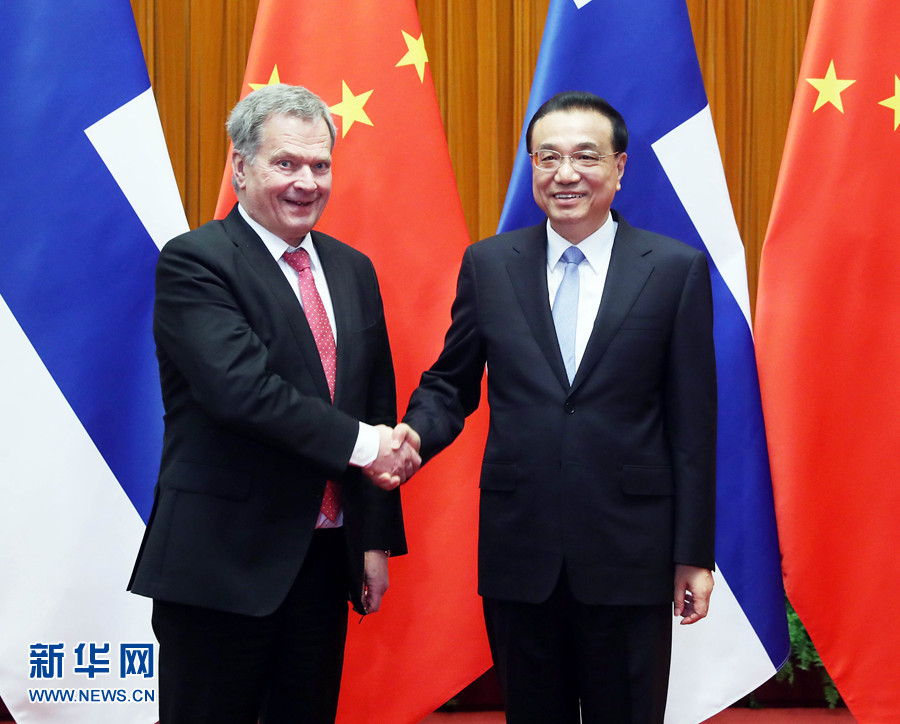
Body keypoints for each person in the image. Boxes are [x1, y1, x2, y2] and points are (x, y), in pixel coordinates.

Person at [389, 91, 717, 722]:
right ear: (532, 168)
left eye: (585, 157)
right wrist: (414, 436)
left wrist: (694, 554)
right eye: (548, 157)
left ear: (619, 168)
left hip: (631, 552)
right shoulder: (489, 265)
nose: (566, 174)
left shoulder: (675, 270)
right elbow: (451, 383)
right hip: (521, 550)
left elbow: (693, 426)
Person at [128, 84, 419, 724]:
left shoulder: (352, 268)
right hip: (221, 563)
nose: (306, 182)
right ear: (240, 166)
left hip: (324, 562)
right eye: (286, 163)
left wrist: (371, 539)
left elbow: (373, 396)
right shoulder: (196, 262)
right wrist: (371, 446)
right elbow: (243, 392)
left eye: (320, 165)